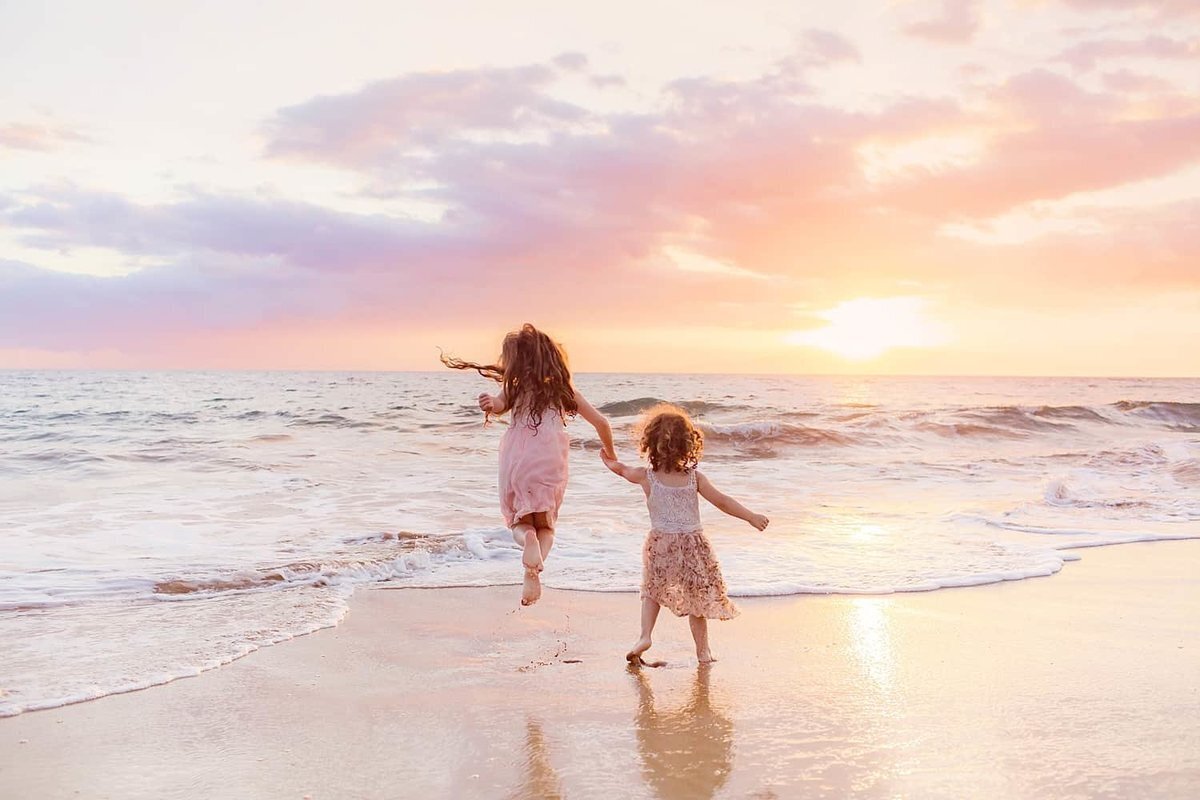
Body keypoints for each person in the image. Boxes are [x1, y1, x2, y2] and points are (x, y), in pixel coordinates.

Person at [442, 323, 615, 606]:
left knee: (519, 523)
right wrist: (611, 455)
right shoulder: (564, 391)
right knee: (547, 527)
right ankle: (533, 569)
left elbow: (498, 405)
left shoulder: (515, 388)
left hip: (517, 463)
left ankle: (528, 543)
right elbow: (602, 422)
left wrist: (489, 403)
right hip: (550, 463)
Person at [601, 404, 768, 663]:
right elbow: (722, 501)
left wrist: (608, 458)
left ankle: (645, 635)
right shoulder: (695, 478)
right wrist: (750, 517)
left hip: (661, 542)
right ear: (689, 444)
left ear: (650, 443)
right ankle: (703, 651)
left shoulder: (647, 477)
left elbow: (621, 469)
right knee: (697, 600)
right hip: (693, 544)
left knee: (652, 591)